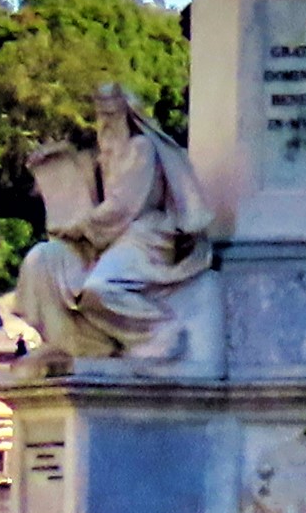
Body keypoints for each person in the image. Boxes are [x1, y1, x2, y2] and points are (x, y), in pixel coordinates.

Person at [15, 86, 217, 366]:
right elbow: (94, 203)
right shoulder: (105, 157)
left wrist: (80, 226)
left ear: (127, 113)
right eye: (101, 115)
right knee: (41, 260)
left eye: (111, 114)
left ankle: (157, 333)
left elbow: (123, 208)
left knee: (100, 288)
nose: (106, 122)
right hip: (103, 240)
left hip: (144, 236)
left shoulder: (140, 148)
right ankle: (74, 343)